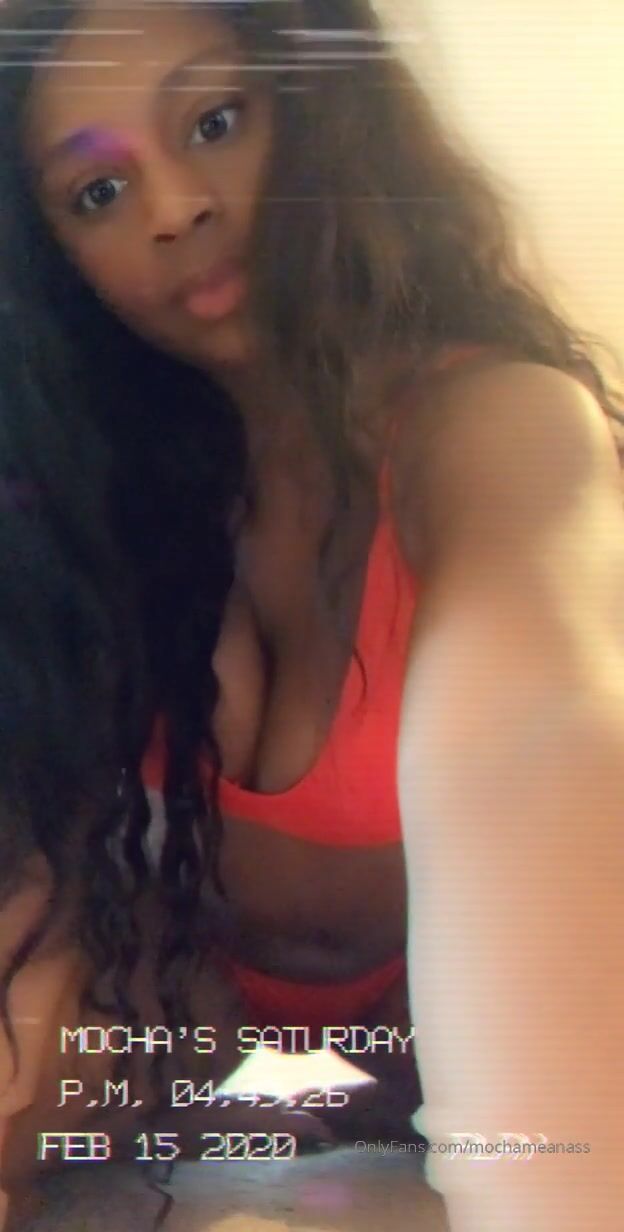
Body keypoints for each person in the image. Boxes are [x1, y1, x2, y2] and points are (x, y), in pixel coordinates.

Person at [1, 1, 623, 1229]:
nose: (175, 208)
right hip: (201, 1008)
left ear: (326, 111)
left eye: (215, 122)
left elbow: (541, 736)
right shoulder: (106, 489)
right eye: (99, 194)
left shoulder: (496, 427)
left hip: (482, 1017)